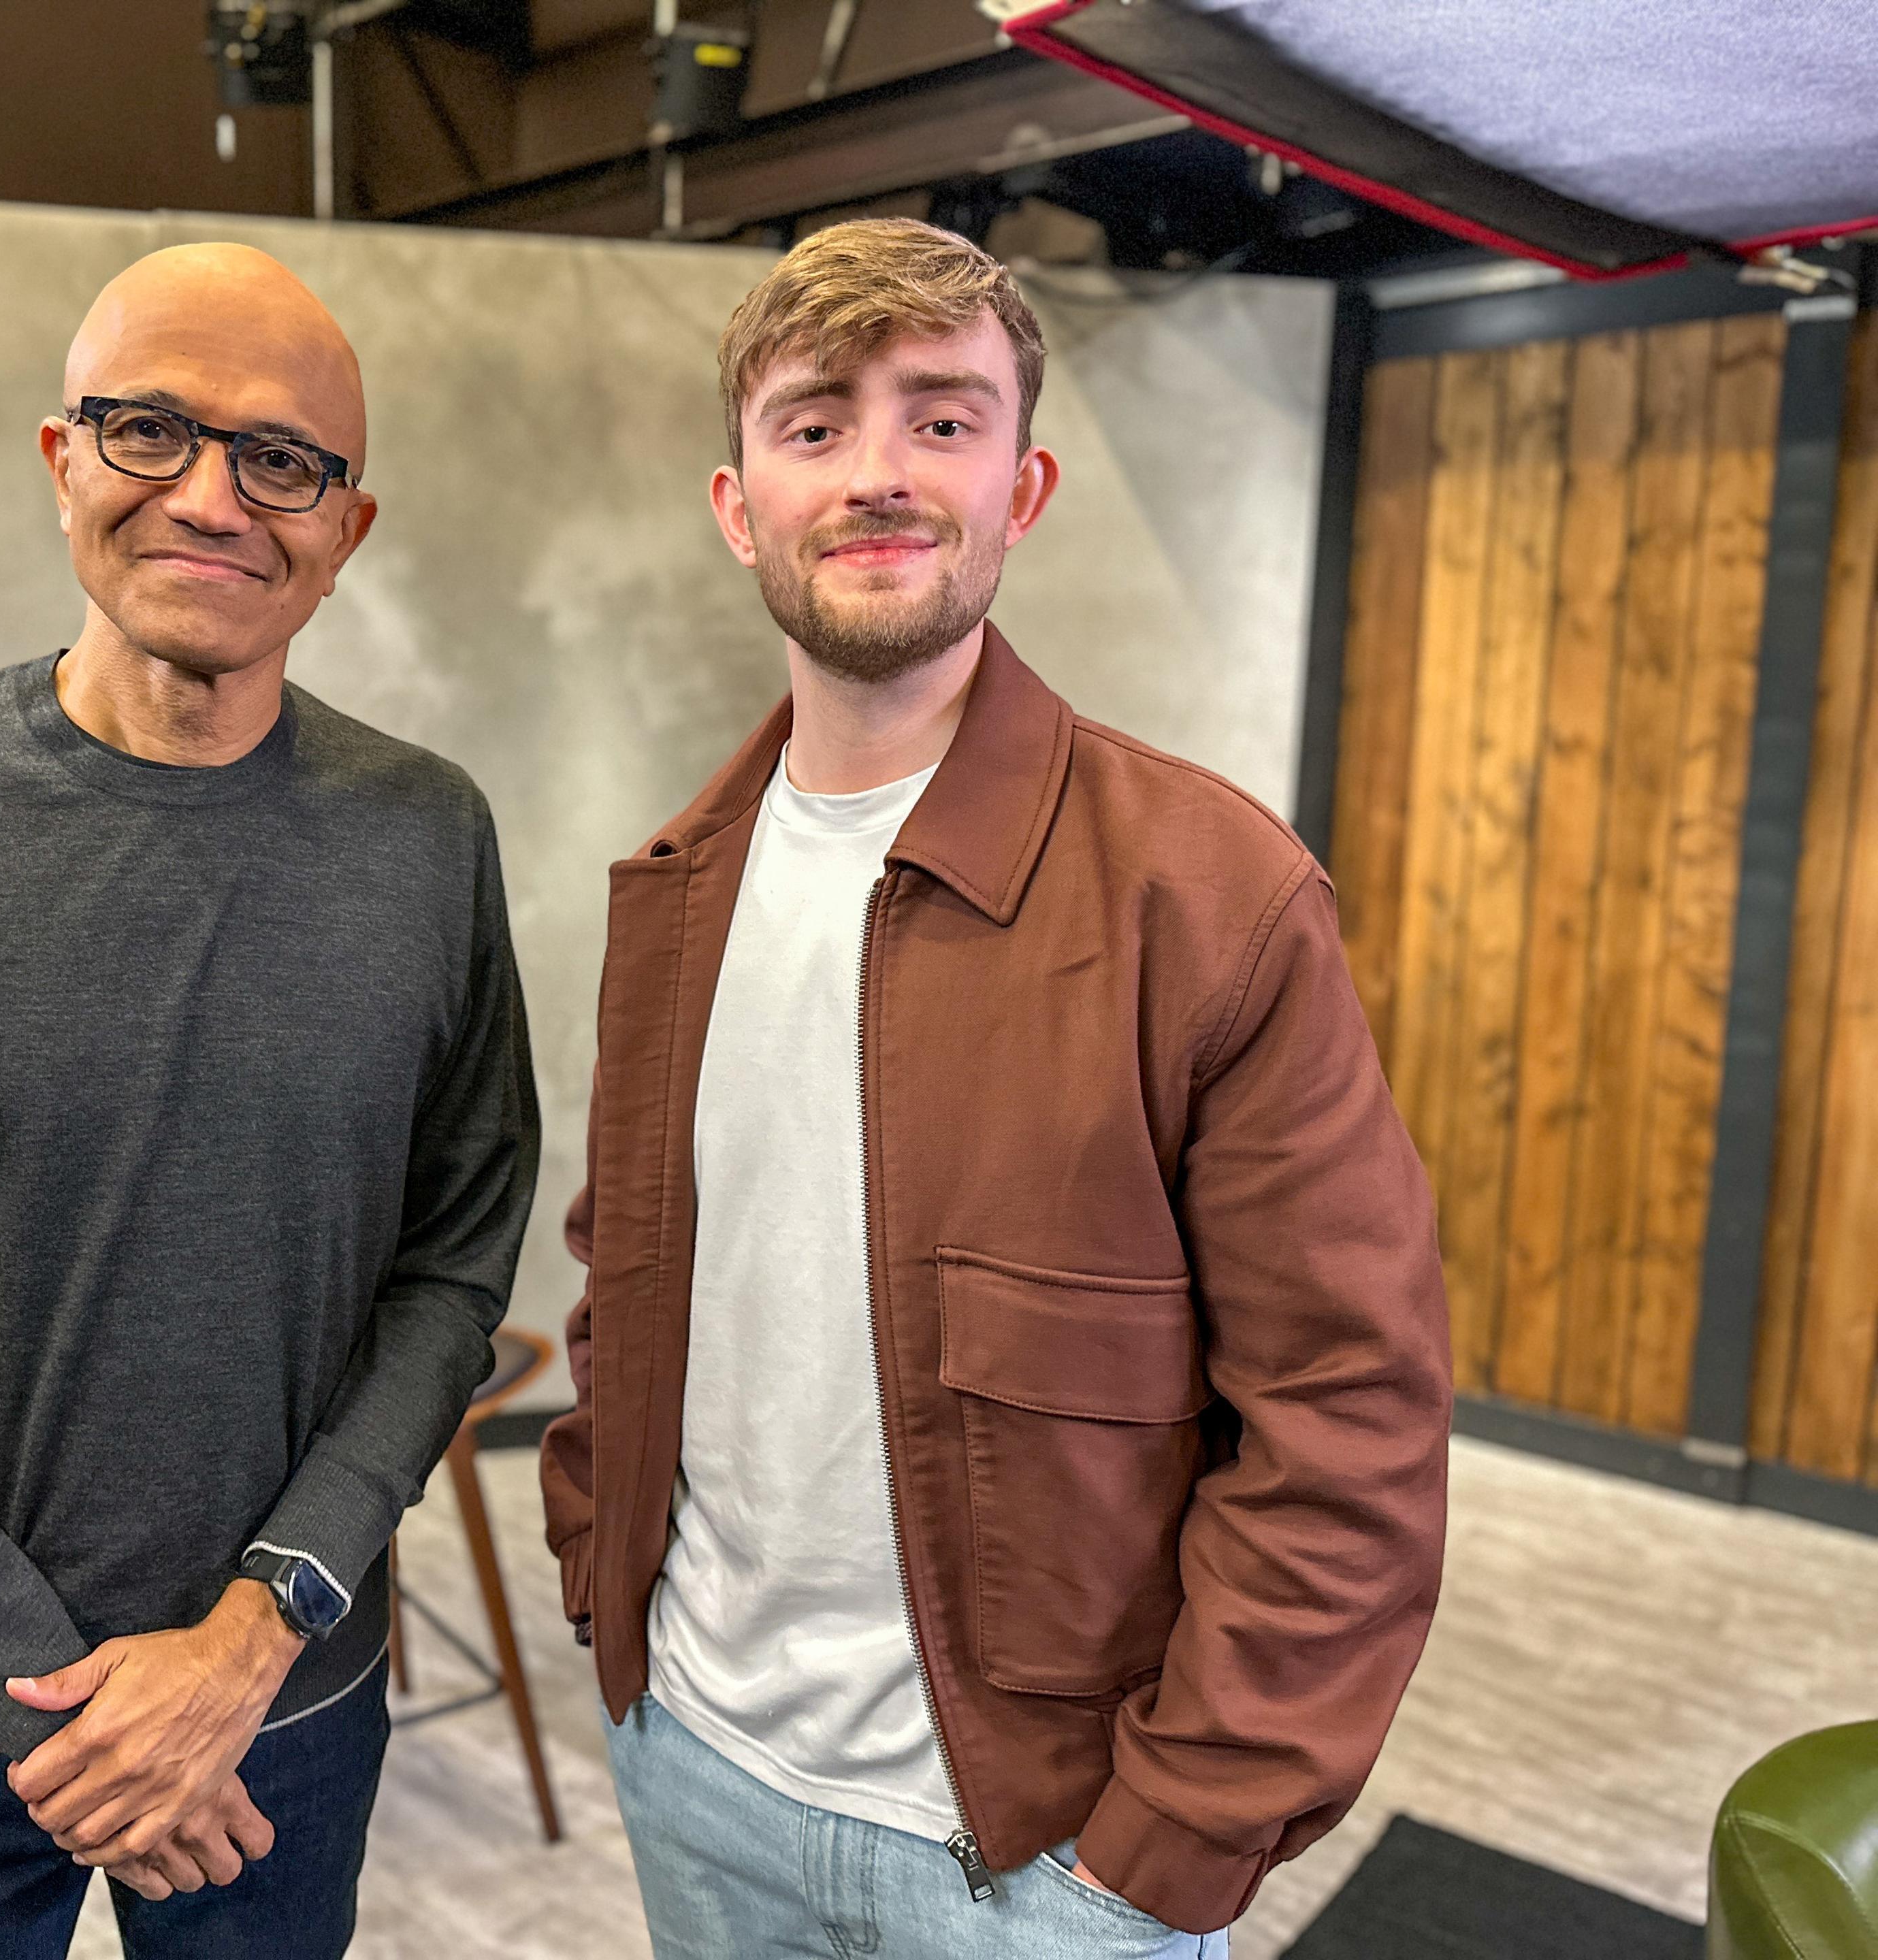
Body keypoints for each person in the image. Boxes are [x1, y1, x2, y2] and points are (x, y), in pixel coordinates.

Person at [539, 217, 1453, 1957]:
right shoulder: (673, 894)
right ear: (740, 506)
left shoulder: (1209, 895)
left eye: (941, 419)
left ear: (1020, 489)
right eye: (817, 423)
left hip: (1035, 1859)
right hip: (695, 1776)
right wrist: (610, 1592)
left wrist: (1166, 1848)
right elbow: (633, 1295)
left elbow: (1351, 1416)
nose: (881, 473)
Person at [0, 242, 540, 1959]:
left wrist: (260, 1625)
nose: (215, 498)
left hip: (280, 1700)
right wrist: (61, 1709)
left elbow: (451, 1272)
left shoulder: (428, 837)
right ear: (62, 456)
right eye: (151, 429)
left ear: (344, 532)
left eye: (283, 459)